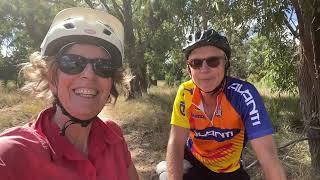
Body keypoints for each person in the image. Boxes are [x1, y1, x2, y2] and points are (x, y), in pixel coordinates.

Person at [0, 7, 139, 180]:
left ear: (111, 82)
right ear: (51, 77)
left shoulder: (114, 136)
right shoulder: (10, 156)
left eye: (103, 66)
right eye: (72, 63)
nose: (89, 74)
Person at [160, 28, 287, 180]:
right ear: (189, 69)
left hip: (228, 171)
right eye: (196, 63)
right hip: (194, 161)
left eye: (213, 61)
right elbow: (176, 142)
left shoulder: (243, 95)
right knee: (166, 174)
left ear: (226, 64)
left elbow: (269, 160)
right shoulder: (185, 92)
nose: (204, 69)